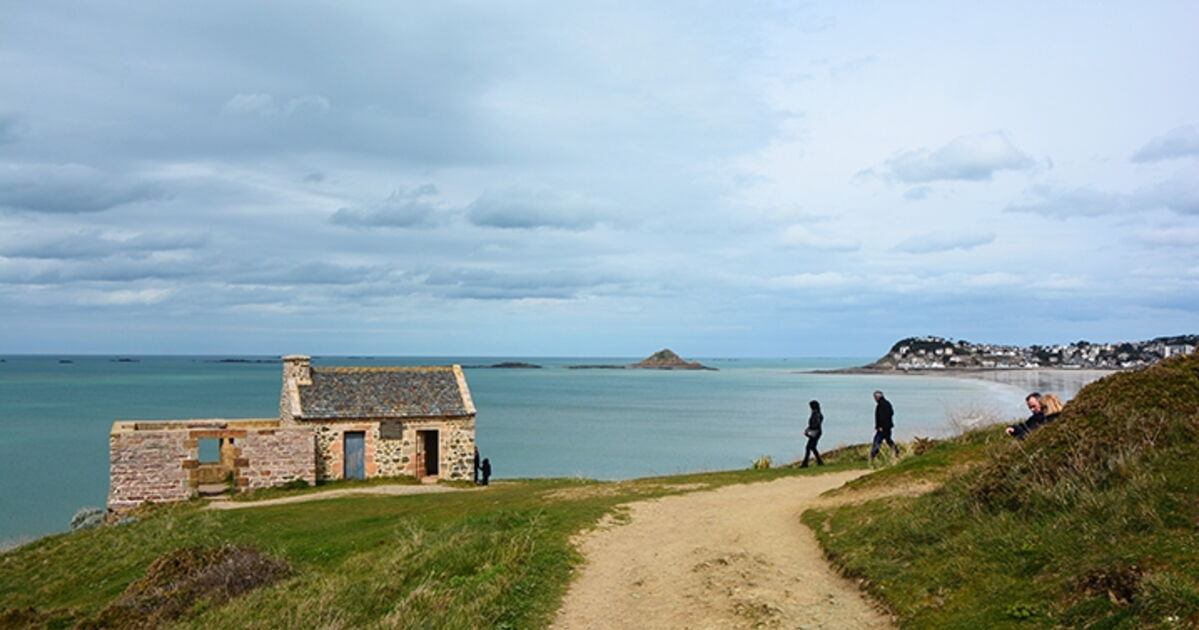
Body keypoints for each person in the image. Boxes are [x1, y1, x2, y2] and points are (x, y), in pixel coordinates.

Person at [870, 390, 900, 461]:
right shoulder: (888, 403)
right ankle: (896, 451)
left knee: (877, 441)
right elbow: (891, 413)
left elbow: (881, 417)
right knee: (888, 440)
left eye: (875, 397)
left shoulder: (880, 405)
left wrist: (880, 426)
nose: (874, 399)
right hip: (888, 427)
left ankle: (873, 455)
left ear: (877, 397)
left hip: (882, 428)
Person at [801, 400, 825, 467]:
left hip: (815, 432)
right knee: (812, 447)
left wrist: (809, 429)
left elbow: (815, 424)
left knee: (809, 447)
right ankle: (819, 461)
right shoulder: (818, 414)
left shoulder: (816, 414)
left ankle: (805, 463)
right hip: (817, 432)